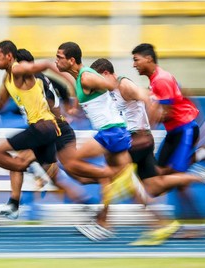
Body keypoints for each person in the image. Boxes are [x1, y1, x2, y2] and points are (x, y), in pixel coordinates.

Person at [90, 58, 205, 245]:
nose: (94, 84)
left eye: (96, 79)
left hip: (139, 140)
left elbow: (149, 98)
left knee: (114, 174)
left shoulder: (125, 85)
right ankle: (200, 175)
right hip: (137, 139)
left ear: (105, 74)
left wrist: (148, 127)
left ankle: (105, 223)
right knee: (154, 185)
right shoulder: (111, 92)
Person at [0, 47, 97, 219]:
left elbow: (52, 90)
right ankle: (87, 202)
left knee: (68, 171)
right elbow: (4, 106)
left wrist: (68, 107)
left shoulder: (29, 76)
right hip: (50, 127)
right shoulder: (16, 80)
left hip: (52, 127)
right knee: (60, 176)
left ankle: (28, 180)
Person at [53, 41, 150, 241]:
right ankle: (157, 223)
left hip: (111, 133)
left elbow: (110, 84)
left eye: (59, 57)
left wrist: (108, 83)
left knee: (71, 161)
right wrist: (74, 112)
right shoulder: (80, 79)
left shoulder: (86, 76)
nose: (56, 61)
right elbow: (90, 101)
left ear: (71, 60)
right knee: (131, 185)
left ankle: (110, 177)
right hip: (114, 132)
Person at [131, 43, 205, 238]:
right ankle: (201, 156)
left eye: (136, 59)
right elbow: (184, 95)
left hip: (183, 132)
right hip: (176, 132)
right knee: (160, 176)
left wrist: (145, 127)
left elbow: (166, 112)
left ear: (148, 58)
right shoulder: (157, 80)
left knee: (177, 180)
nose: (134, 65)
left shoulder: (161, 80)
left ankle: (198, 224)